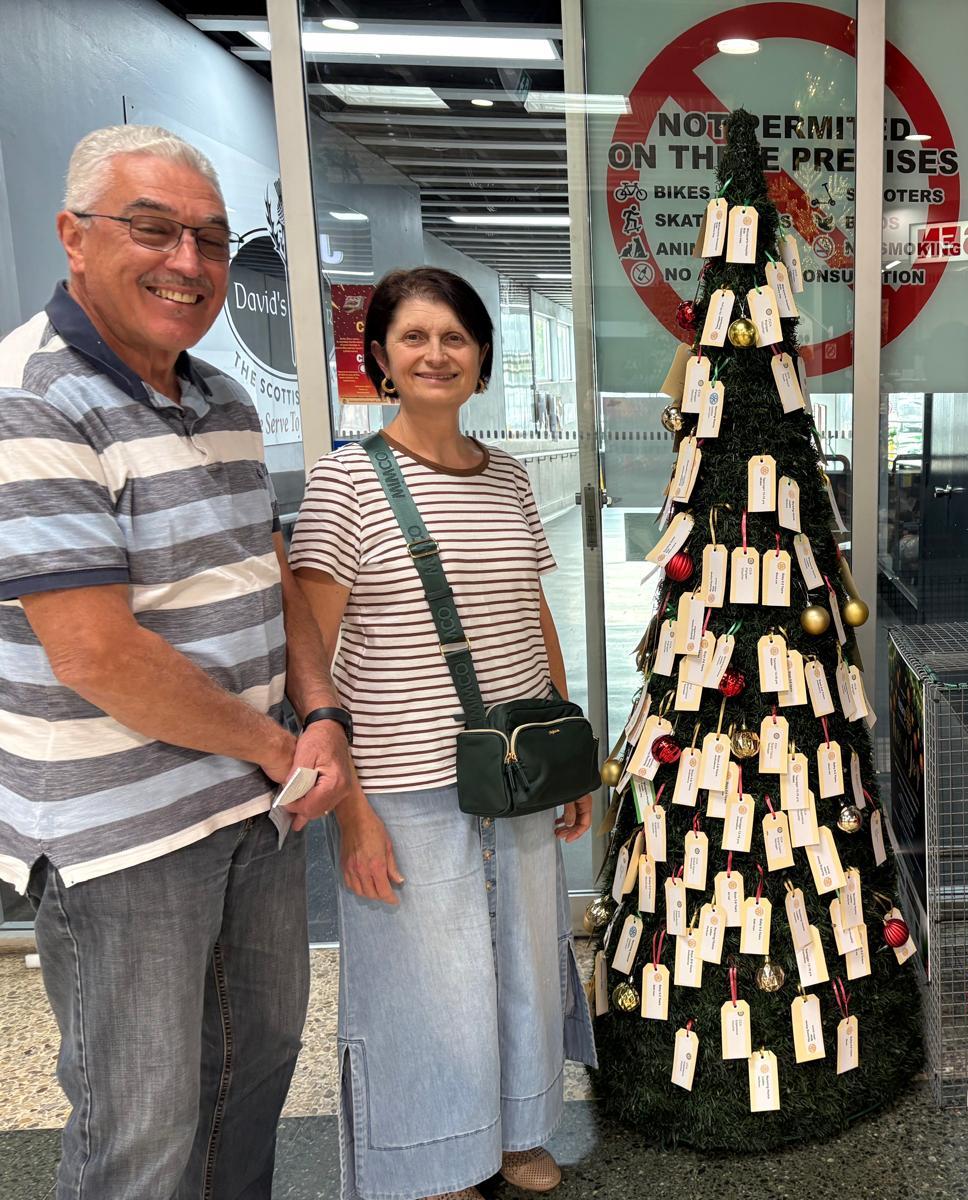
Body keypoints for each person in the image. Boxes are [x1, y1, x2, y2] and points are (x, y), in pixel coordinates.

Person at [0, 125, 353, 1198]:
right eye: (152, 229)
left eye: (209, 237)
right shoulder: (32, 398)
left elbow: (270, 573)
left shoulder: (225, 401)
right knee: (142, 1126)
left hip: (254, 808)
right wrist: (274, 746)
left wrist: (320, 714)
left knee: (253, 1073)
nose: (187, 262)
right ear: (74, 236)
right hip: (124, 839)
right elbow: (97, 653)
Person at [289, 266, 596, 1200]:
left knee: (525, 964)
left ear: (481, 357)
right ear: (380, 358)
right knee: (425, 986)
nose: (436, 354)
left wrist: (569, 753)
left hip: (517, 769)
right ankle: (437, 1160)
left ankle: (519, 1132)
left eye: (455, 337)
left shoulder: (508, 477)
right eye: (414, 337)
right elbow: (311, 655)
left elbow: (532, 615)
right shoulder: (345, 483)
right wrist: (350, 810)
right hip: (402, 780)